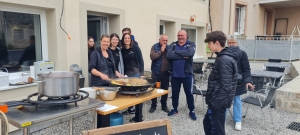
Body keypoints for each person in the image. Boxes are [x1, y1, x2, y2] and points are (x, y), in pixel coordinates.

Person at [203, 31, 241, 135]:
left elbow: (226, 87)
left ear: (217, 43)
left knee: (217, 130)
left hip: (218, 103)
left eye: (209, 43)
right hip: (216, 100)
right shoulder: (222, 56)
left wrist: (216, 104)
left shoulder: (224, 59)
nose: (208, 46)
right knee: (208, 124)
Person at [166, 30, 197, 120]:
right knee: (175, 93)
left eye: (182, 35)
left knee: (189, 94)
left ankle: (191, 110)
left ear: (186, 36)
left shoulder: (191, 44)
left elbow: (190, 53)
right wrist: (183, 55)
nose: (180, 37)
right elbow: (169, 55)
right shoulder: (173, 45)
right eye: (178, 35)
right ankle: (175, 108)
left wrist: (176, 52)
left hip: (187, 74)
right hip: (175, 74)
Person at [227, 35, 254, 131]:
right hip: (226, 82)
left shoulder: (242, 54)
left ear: (237, 43)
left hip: (238, 82)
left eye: (233, 42)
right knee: (224, 101)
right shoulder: (224, 53)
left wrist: (248, 80)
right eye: (229, 42)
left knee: (237, 101)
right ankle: (222, 119)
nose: (231, 44)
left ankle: (238, 120)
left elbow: (246, 69)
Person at [121, 33, 144, 119]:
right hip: (127, 74)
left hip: (136, 73)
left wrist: (141, 74)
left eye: (128, 38)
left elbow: (141, 61)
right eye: (125, 38)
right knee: (129, 93)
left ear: (131, 40)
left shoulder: (136, 48)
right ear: (123, 40)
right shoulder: (122, 50)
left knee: (137, 93)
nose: (127, 40)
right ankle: (130, 109)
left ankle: (139, 115)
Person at [149, 34, 170, 113]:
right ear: (159, 40)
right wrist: (160, 51)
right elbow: (152, 57)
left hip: (165, 73)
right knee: (154, 89)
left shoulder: (169, 48)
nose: (165, 42)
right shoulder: (155, 46)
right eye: (163, 40)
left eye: (166, 40)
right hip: (156, 72)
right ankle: (153, 106)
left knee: (165, 90)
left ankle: (164, 106)